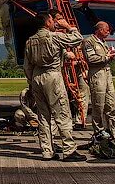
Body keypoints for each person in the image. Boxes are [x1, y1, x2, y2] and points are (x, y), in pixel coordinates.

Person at [24, 10, 87, 162]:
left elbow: (27, 66)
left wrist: (31, 83)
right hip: (52, 75)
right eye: (52, 20)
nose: (54, 22)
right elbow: (77, 38)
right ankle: (69, 150)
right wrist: (68, 26)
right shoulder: (54, 37)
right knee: (62, 114)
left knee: (43, 116)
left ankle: (47, 151)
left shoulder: (30, 40)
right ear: (47, 22)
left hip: (36, 77)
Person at [81, 21, 115, 141]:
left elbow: (105, 58)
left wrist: (111, 56)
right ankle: (99, 131)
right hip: (97, 75)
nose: (109, 32)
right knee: (98, 105)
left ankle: (113, 131)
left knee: (111, 104)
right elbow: (91, 58)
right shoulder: (89, 41)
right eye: (106, 30)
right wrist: (107, 56)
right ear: (99, 30)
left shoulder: (103, 42)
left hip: (107, 73)